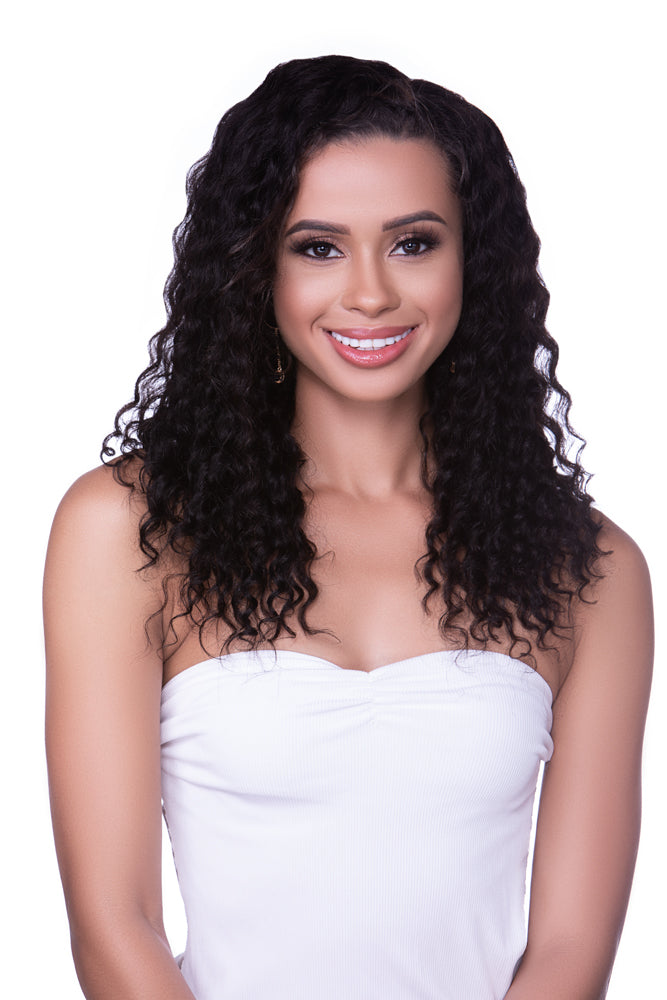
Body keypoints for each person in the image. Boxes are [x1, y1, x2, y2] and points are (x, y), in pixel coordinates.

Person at [43, 55, 653, 1000]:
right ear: (254, 265)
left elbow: (571, 952)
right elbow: (113, 925)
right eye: (318, 247)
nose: (369, 294)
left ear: (473, 260)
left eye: (412, 243)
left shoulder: (589, 568)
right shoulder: (130, 531)